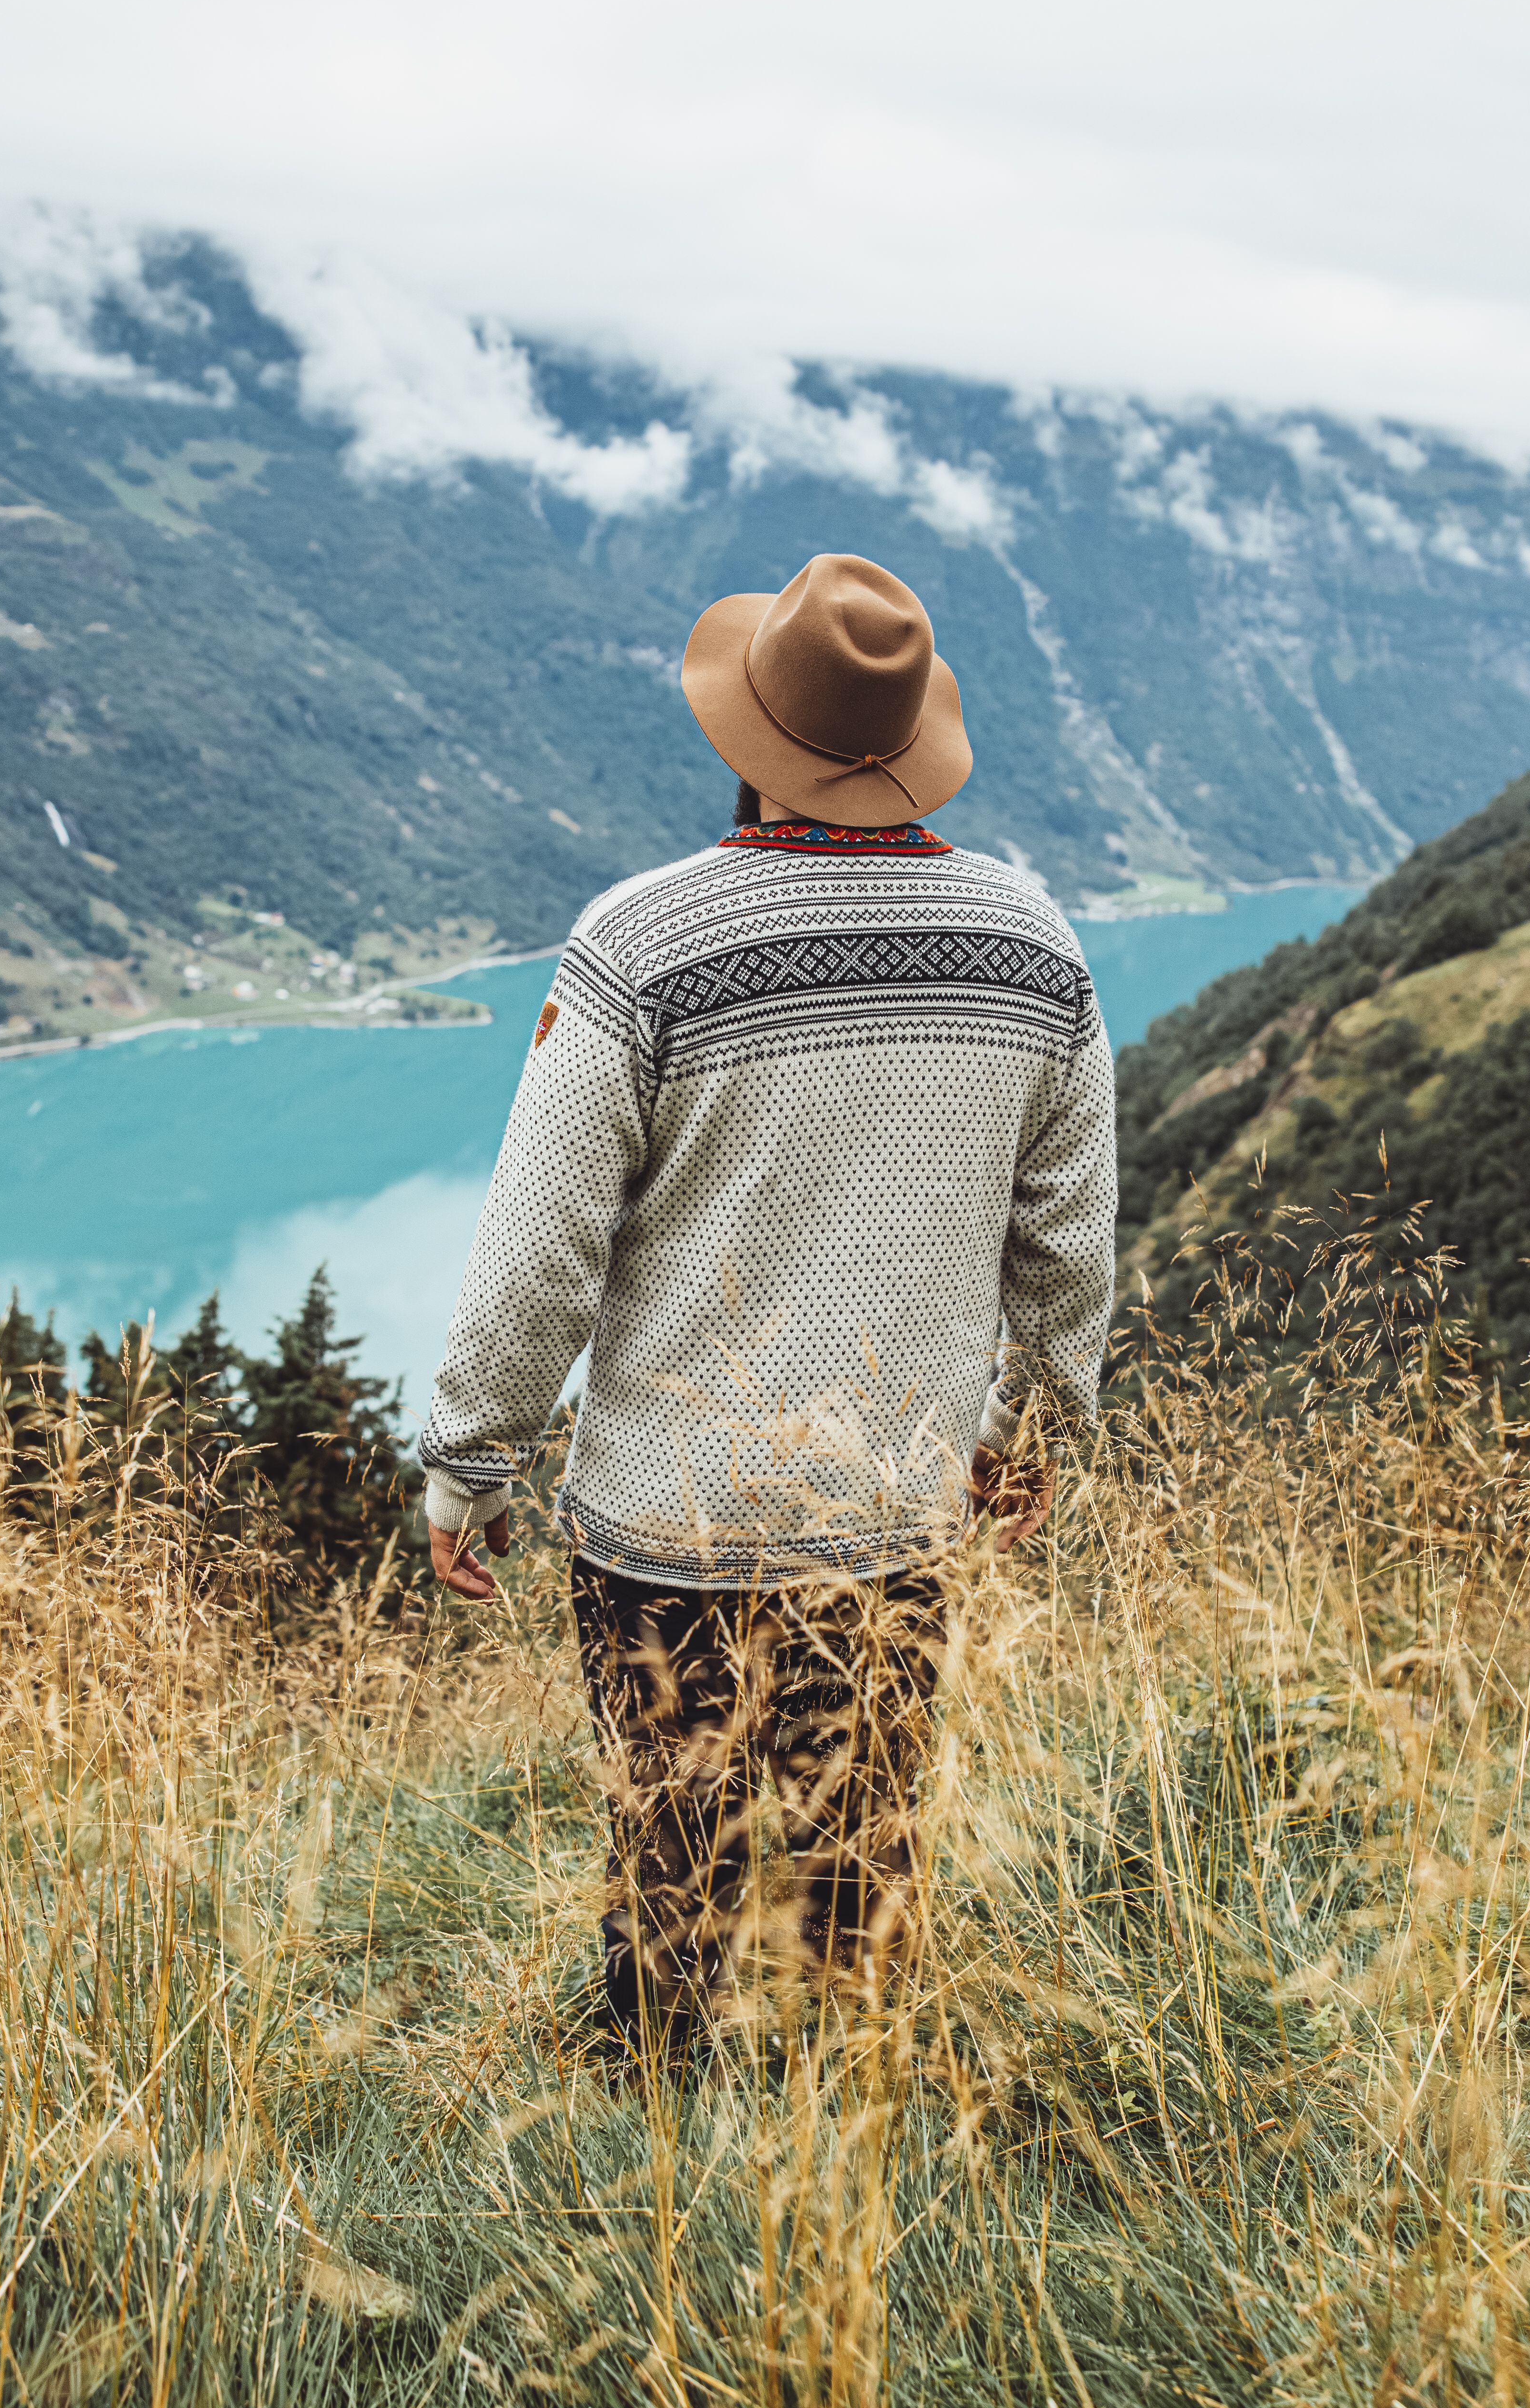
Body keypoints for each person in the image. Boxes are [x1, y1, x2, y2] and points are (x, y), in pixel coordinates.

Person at [419, 550, 1118, 2050]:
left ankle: (653, 2116)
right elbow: (1068, 1247)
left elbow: (542, 1243)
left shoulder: (643, 943)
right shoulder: (1037, 949)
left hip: (674, 1527)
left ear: (749, 736)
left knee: (673, 1867)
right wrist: (1035, 1430)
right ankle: (853, 2124)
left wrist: (473, 1458)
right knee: (864, 1865)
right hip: (897, 1510)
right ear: (913, 743)